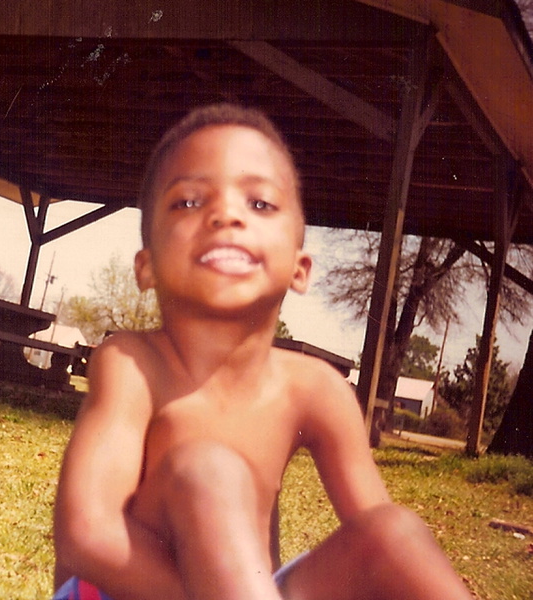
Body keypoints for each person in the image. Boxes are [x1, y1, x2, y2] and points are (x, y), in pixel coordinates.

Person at [52, 103, 473, 600]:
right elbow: (88, 531)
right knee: (209, 469)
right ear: (147, 267)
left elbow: (370, 546)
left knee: (394, 532)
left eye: (260, 204)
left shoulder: (317, 388)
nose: (225, 215)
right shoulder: (133, 363)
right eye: (188, 201)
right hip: (130, 590)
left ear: (299, 268)